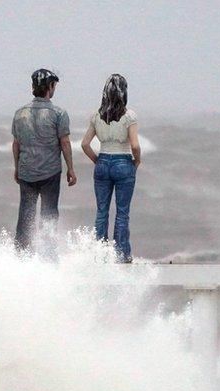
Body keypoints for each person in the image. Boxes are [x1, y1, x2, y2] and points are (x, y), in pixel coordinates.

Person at [11, 68, 77, 252]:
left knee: (26, 214)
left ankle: (21, 254)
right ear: (50, 86)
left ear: (33, 87)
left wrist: (17, 168)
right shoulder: (59, 113)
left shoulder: (19, 113)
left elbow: (16, 144)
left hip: (26, 172)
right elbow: (65, 143)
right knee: (49, 214)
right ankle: (48, 254)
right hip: (50, 173)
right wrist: (71, 169)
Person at [81, 74, 141, 263]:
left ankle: (99, 254)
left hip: (102, 162)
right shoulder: (129, 115)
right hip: (123, 162)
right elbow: (135, 146)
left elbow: (84, 144)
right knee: (122, 212)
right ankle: (121, 255)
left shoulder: (96, 115)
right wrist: (136, 162)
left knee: (102, 211)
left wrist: (97, 160)